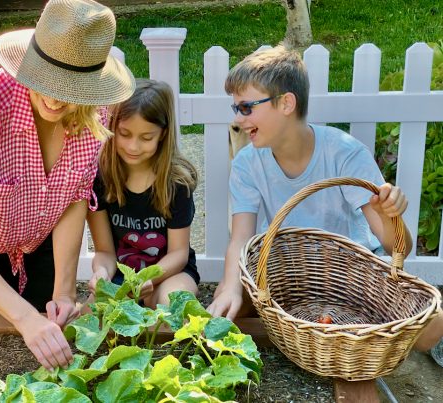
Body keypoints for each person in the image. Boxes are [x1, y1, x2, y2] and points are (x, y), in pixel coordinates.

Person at [0, 0, 135, 371]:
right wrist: (25, 319)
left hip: (36, 238)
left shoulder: (95, 113)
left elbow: (73, 201)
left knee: (45, 347)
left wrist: (65, 292)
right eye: (46, 81)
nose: (54, 98)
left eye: (70, 88)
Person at [206, 45, 414, 321]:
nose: (237, 118)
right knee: (229, 299)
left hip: (349, 274)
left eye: (246, 107)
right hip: (287, 273)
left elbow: (398, 249)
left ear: (286, 104)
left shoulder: (345, 153)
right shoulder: (247, 163)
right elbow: (240, 238)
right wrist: (231, 289)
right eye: (236, 108)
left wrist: (390, 215)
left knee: (427, 322)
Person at [86, 79, 199, 307]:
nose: (133, 147)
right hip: (121, 279)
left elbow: (179, 253)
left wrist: (148, 278)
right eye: (124, 134)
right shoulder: (101, 179)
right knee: (93, 317)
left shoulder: (177, 182)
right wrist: (101, 273)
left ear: (163, 135)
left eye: (146, 138)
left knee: (171, 306)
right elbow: (105, 251)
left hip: (170, 274)